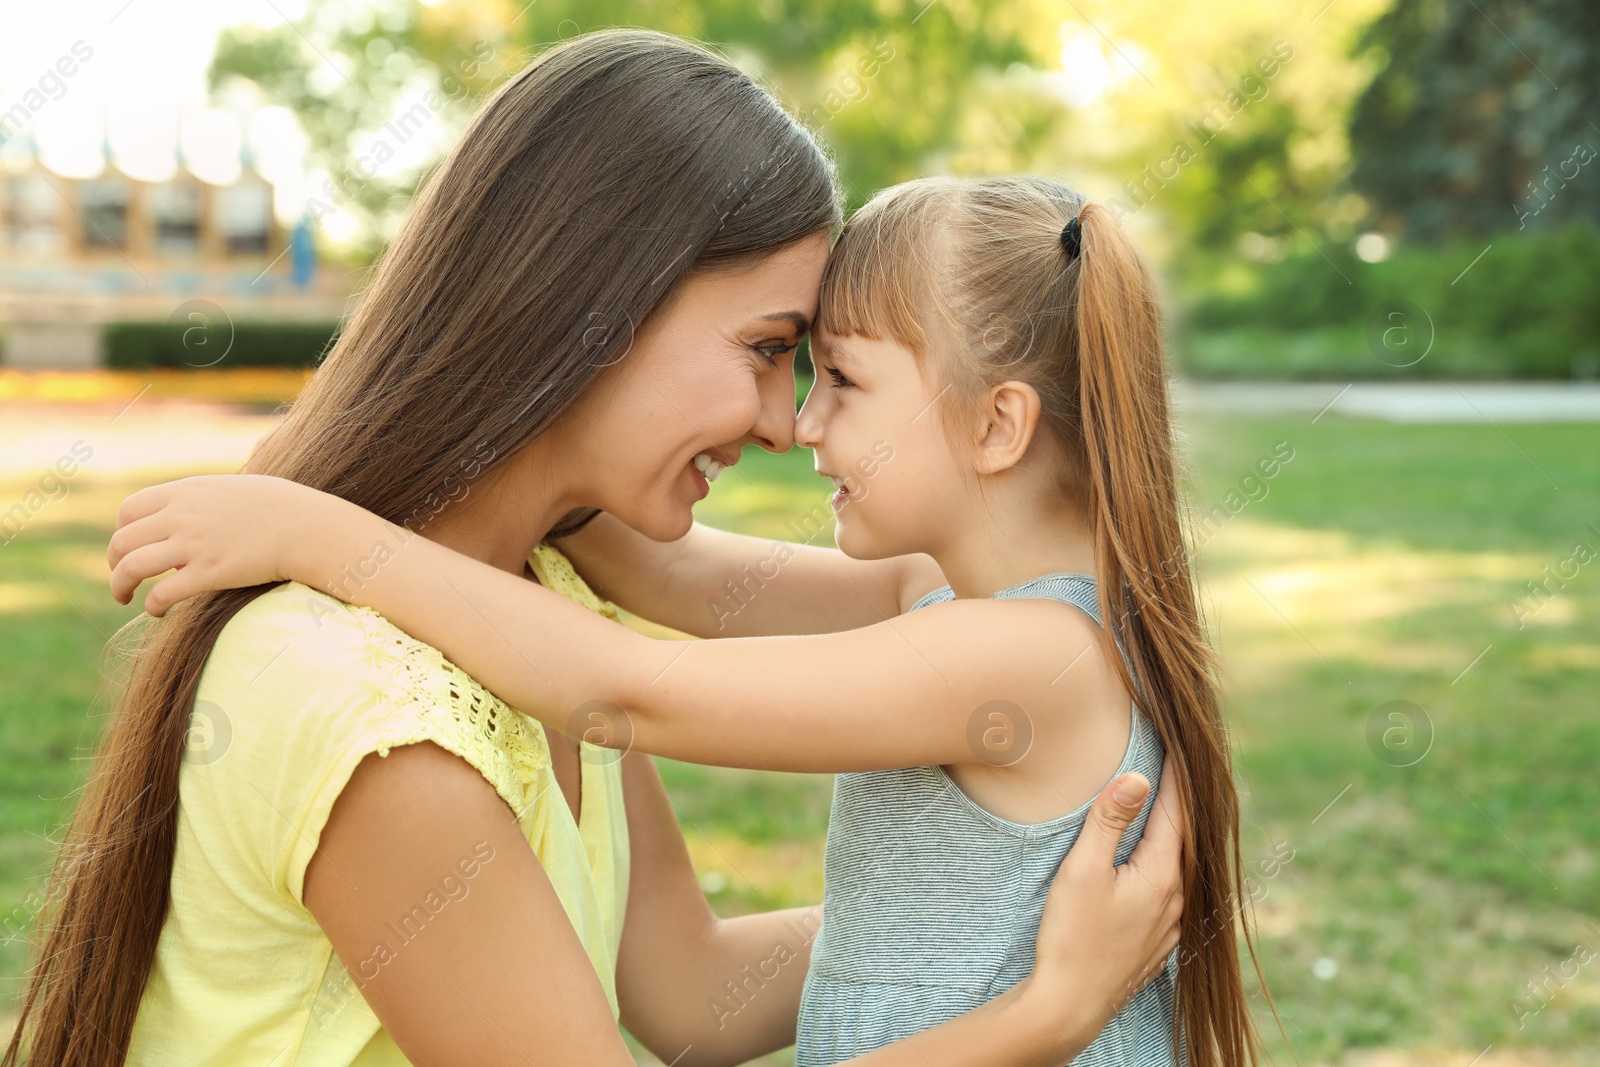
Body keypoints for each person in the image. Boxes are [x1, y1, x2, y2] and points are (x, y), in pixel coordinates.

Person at [6, 31, 1183, 1067]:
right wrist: (1038, 1000)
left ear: (999, 425)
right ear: (596, 306)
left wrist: (1017, 945)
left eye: (827, 373)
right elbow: (674, 608)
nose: (787, 424)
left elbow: (685, 990)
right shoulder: (374, 710)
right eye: (771, 351)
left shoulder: (544, 606)